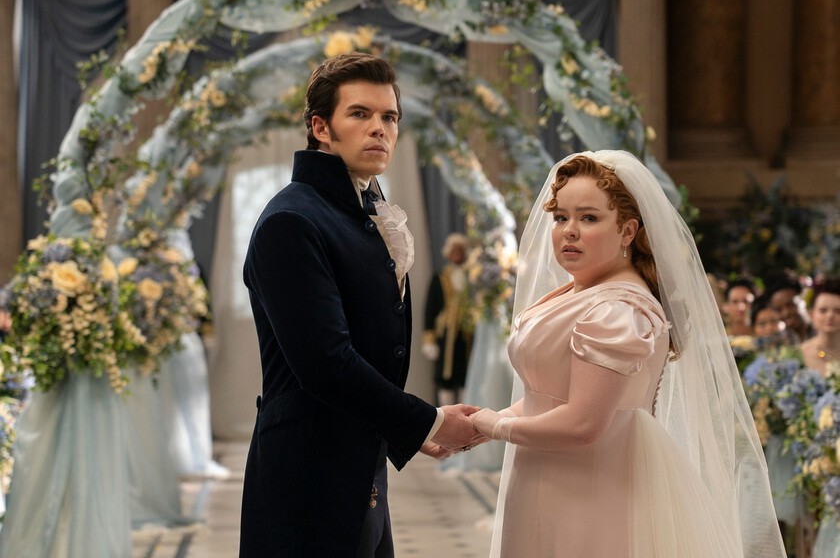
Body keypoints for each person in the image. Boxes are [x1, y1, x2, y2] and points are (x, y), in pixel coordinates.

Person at [468, 151, 785, 557]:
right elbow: (548, 394)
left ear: (627, 231)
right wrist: (478, 426)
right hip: (547, 476)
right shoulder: (584, 291)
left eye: (589, 218)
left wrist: (495, 426)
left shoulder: (617, 311)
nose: (569, 231)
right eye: (561, 217)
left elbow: (582, 423)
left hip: (591, 487)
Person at [240, 52, 481, 557]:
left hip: (358, 465)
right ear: (320, 128)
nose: (379, 128)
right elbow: (326, 364)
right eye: (360, 114)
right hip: (306, 479)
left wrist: (399, 431)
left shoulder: (361, 211)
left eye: (389, 117)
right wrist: (427, 421)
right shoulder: (292, 220)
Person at [423, 232, 473, 405]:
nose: (457, 254)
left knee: (466, 375)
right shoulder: (439, 277)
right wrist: (429, 340)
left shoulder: (472, 277)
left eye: (460, 251)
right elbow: (430, 309)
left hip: (467, 334)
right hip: (445, 335)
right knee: (445, 378)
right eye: (454, 251)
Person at [800, 277, 840, 376]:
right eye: (823, 310)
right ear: (811, 314)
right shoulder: (800, 355)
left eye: (838, 311)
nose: (830, 316)